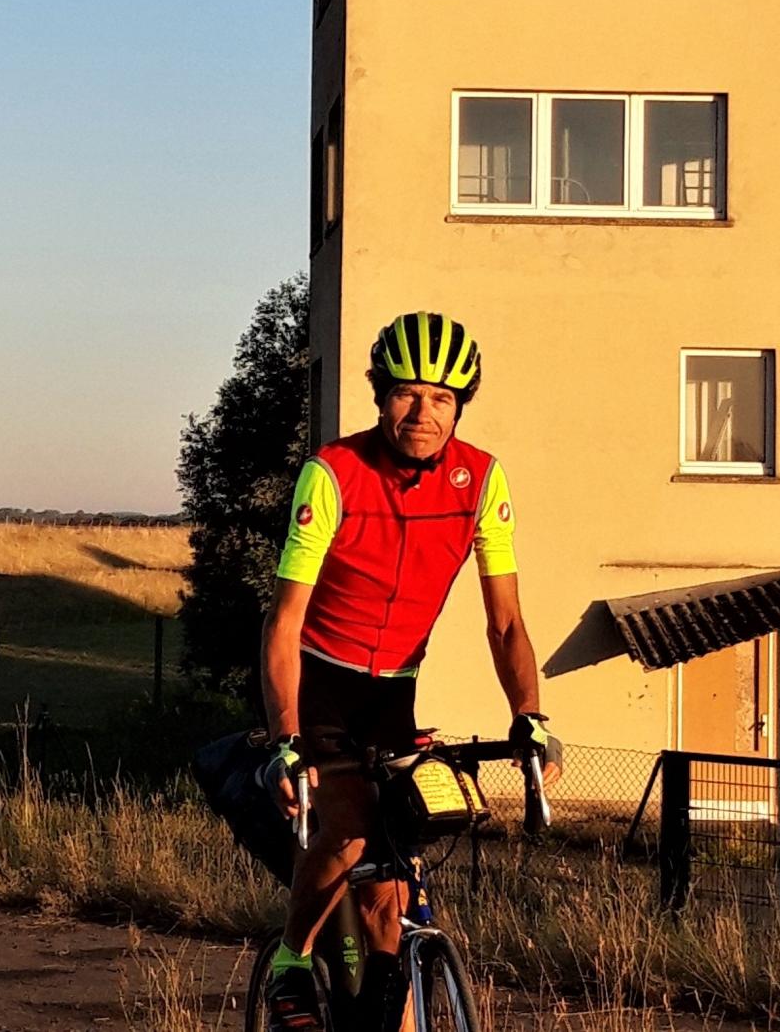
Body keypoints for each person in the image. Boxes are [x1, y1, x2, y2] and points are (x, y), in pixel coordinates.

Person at [255, 312, 563, 1032]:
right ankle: (291, 960)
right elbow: (283, 621)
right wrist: (286, 738)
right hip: (318, 677)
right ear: (380, 396)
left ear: (461, 405)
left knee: (396, 879)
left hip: (394, 687)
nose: (423, 414)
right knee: (352, 831)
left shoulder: (481, 479)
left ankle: (381, 1008)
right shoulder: (333, 472)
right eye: (407, 394)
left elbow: (507, 622)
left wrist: (531, 715)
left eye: (443, 398)